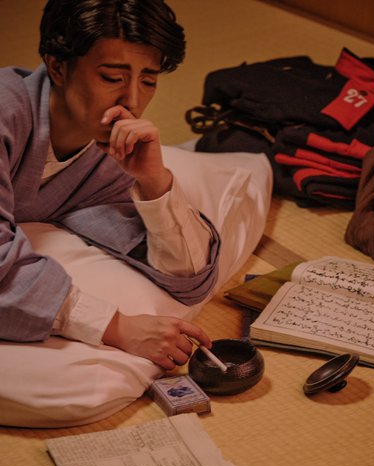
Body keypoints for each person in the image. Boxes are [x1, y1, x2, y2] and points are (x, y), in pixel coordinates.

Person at [0, 0, 272, 427]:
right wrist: (116, 327)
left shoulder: (101, 157)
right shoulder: (6, 113)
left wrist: (154, 180)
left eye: (148, 80)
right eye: (112, 77)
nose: (132, 100)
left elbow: (188, 277)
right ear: (57, 66)